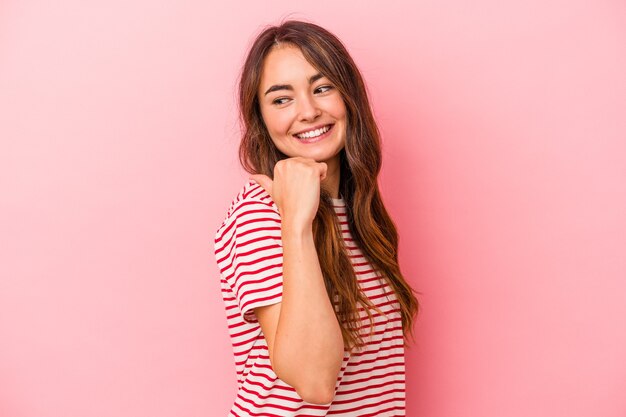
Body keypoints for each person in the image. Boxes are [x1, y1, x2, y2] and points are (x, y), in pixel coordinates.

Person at [213, 19, 420, 417]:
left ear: (348, 97)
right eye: (281, 99)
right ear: (261, 119)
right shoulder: (258, 213)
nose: (308, 112)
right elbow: (314, 381)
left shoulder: (362, 215)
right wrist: (295, 224)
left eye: (322, 88)